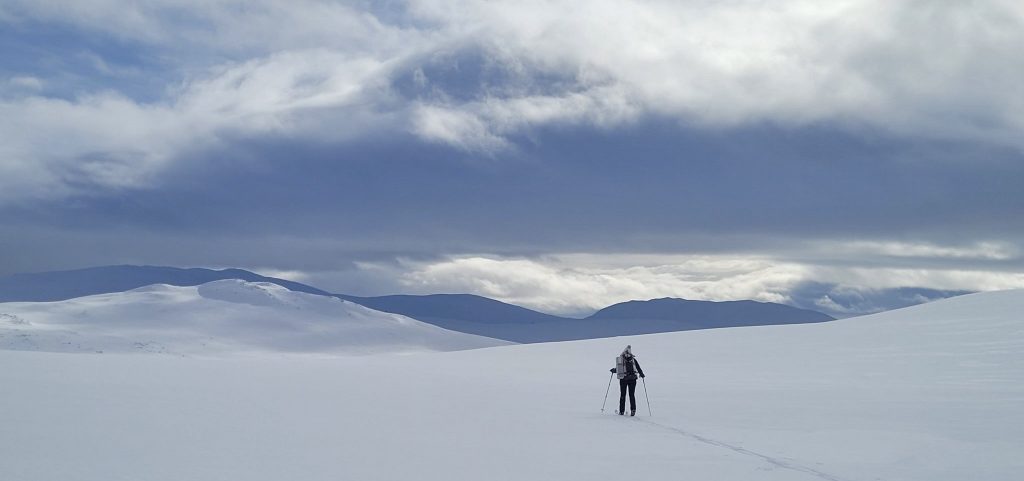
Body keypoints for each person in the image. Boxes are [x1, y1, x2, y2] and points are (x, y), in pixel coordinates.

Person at [609, 344, 645, 416]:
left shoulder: (621, 360)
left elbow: (619, 370)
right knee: (632, 395)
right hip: (633, 379)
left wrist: (613, 370)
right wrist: (642, 374)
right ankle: (633, 410)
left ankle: (621, 411)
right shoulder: (633, 360)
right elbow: (638, 368)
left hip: (623, 379)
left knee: (623, 394)